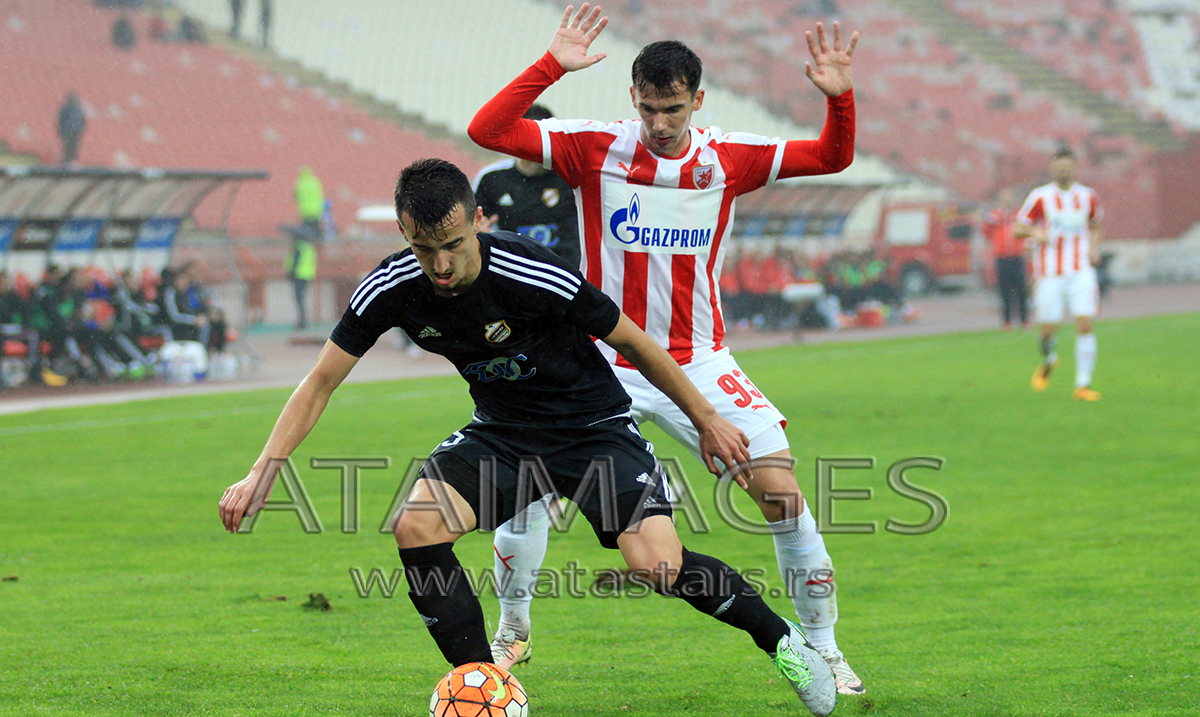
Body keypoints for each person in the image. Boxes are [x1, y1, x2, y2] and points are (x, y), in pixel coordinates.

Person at [217, 158, 839, 716]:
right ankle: (480, 685)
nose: (440, 265)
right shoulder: (391, 287)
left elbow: (634, 341)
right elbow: (319, 382)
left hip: (592, 429)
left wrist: (706, 419)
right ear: (404, 232)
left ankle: (782, 640)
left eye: (453, 245)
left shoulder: (530, 270)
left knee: (656, 564)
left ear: (476, 223)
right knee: (416, 526)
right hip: (504, 435)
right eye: (424, 248)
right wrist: (261, 472)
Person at [468, 4, 865, 695]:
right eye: (649, 108)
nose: (658, 123)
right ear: (633, 97)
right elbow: (487, 130)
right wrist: (552, 65)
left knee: (781, 494)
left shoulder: (727, 158)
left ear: (697, 101)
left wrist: (840, 99)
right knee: (525, 488)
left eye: (672, 109)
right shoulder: (594, 147)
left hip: (697, 357)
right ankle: (513, 630)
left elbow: (832, 156)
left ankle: (825, 649)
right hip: (598, 360)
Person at [1013, 148, 1103, 401]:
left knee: (1085, 323)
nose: (1064, 170)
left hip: (1080, 270)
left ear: (1074, 167)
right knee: (1047, 330)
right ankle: (1049, 359)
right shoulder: (1040, 197)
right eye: (1059, 166)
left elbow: (1096, 224)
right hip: (1049, 272)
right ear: (1052, 168)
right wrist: (1035, 233)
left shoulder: (1087, 196)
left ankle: (1083, 385)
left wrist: (1094, 247)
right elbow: (1018, 228)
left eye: (1068, 165)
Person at [474, 104, 582, 269]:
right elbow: (475, 226)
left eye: (542, 138)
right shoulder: (492, 179)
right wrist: (479, 232)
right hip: (514, 271)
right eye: (529, 137)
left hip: (568, 271)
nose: (535, 145)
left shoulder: (572, 177)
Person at [984, 189, 1028, 330]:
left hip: (1017, 256)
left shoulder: (1018, 214)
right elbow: (986, 231)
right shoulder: (995, 215)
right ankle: (1007, 321)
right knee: (1005, 291)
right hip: (1002, 258)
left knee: (1021, 289)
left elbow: (1026, 229)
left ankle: (1024, 320)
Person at [285, 226, 317, 329]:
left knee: (299, 299)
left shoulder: (299, 247)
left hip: (298, 275)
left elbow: (295, 262)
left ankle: (302, 321)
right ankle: (303, 320)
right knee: (302, 298)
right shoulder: (309, 247)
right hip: (307, 275)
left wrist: (289, 273)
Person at [57, 93, 87, 166]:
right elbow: (61, 121)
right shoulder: (65, 110)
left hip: (76, 132)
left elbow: (83, 121)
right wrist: (61, 131)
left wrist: (81, 129)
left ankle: (73, 160)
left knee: (74, 147)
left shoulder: (79, 110)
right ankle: (66, 161)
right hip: (67, 132)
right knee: (67, 147)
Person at [295, 166, 324, 239]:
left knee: (306, 231)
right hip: (316, 210)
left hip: (305, 211)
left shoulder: (299, 184)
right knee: (316, 228)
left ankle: (309, 241)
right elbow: (320, 195)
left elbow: (296, 197)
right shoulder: (315, 182)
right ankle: (317, 241)